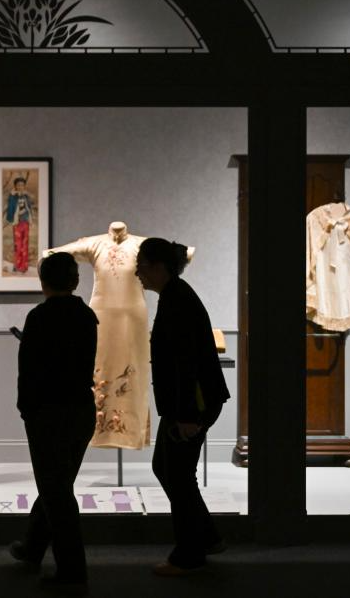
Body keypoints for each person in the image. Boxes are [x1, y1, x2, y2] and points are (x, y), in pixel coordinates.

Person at [134, 237, 231, 576]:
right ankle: (206, 537)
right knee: (168, 468)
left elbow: (185, 361)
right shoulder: (174, 295)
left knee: (176, 473)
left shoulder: (178, 300)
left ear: (159, 267)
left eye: (142, 266)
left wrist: (188, 415)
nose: (138, 273)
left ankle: (189, 553)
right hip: (186, 403)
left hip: (192, 404)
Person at [10, 252, 98, 593]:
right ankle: (32, 548)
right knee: (58, 484)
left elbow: (28, 371)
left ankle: (73, 569)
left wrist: (26, 409)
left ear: (43, 282)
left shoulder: (39, 317)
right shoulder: (87, 316)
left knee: (56, 490)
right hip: (81, 409)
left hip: (48, 413)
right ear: (75, 281)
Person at [5, 176, 34, 273]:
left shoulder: (26, 197)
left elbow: (29, 208)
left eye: (22, 185)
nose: (20, 187)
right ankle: (17, 265)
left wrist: (28, 215)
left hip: (25, 222)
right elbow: (10, 209)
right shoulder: (13, 197)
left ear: (24, 186)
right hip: (17, 223)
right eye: (18, 185)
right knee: (18, 245)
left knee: (25, 244)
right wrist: (12, 217)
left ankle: (24, 266)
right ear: (15, 186)